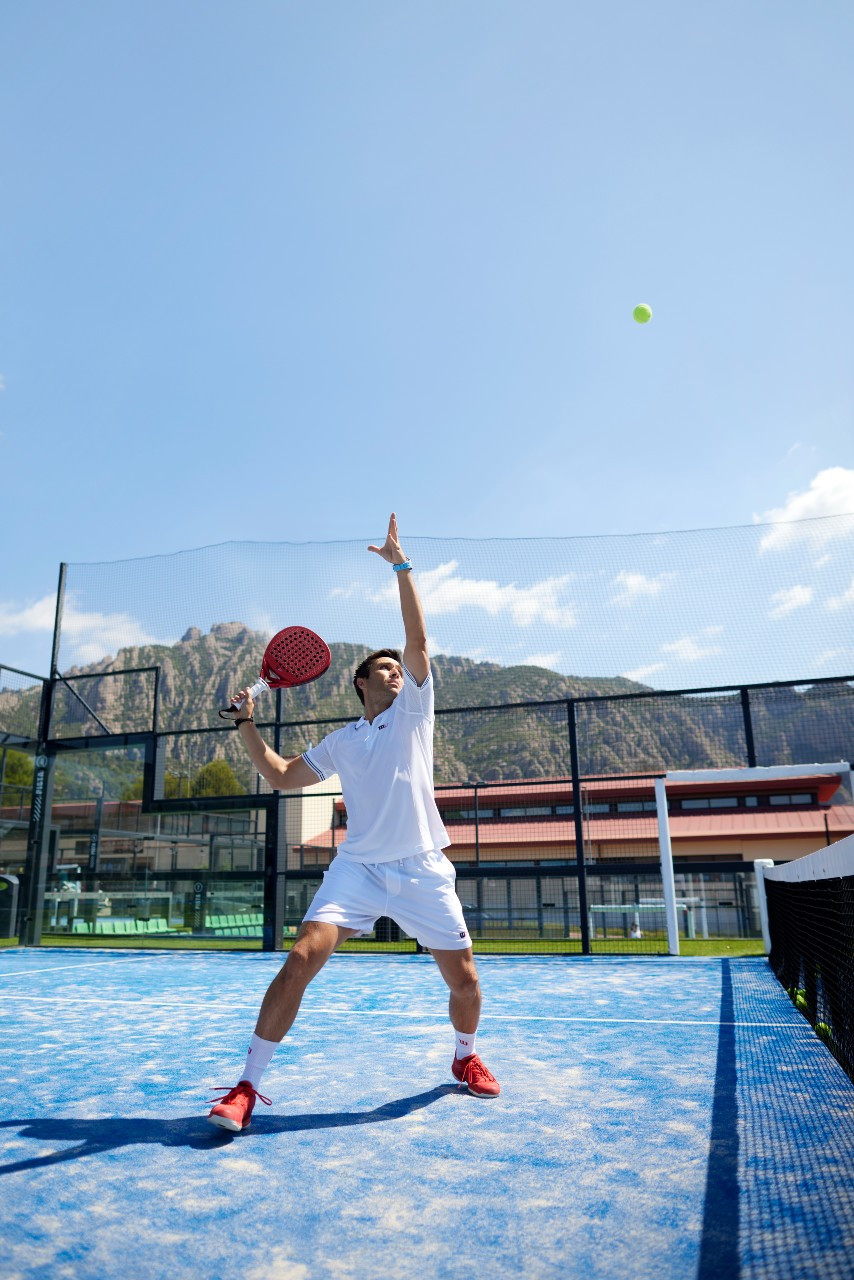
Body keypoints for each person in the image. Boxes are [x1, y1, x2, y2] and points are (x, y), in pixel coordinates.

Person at [208, 513, 500, 1132]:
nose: (398, 671)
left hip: (422, 865)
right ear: (361, 682)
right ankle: (245, 1087)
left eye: (401, 668)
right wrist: (245, 724)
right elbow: (282, 776)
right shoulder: (344, 740)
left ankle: (465, 1057)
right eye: (385, 669)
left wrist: (401, 565)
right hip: (360, 869)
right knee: (299, 959)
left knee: (466, 980)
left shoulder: (415, 712)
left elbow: (418, 641)